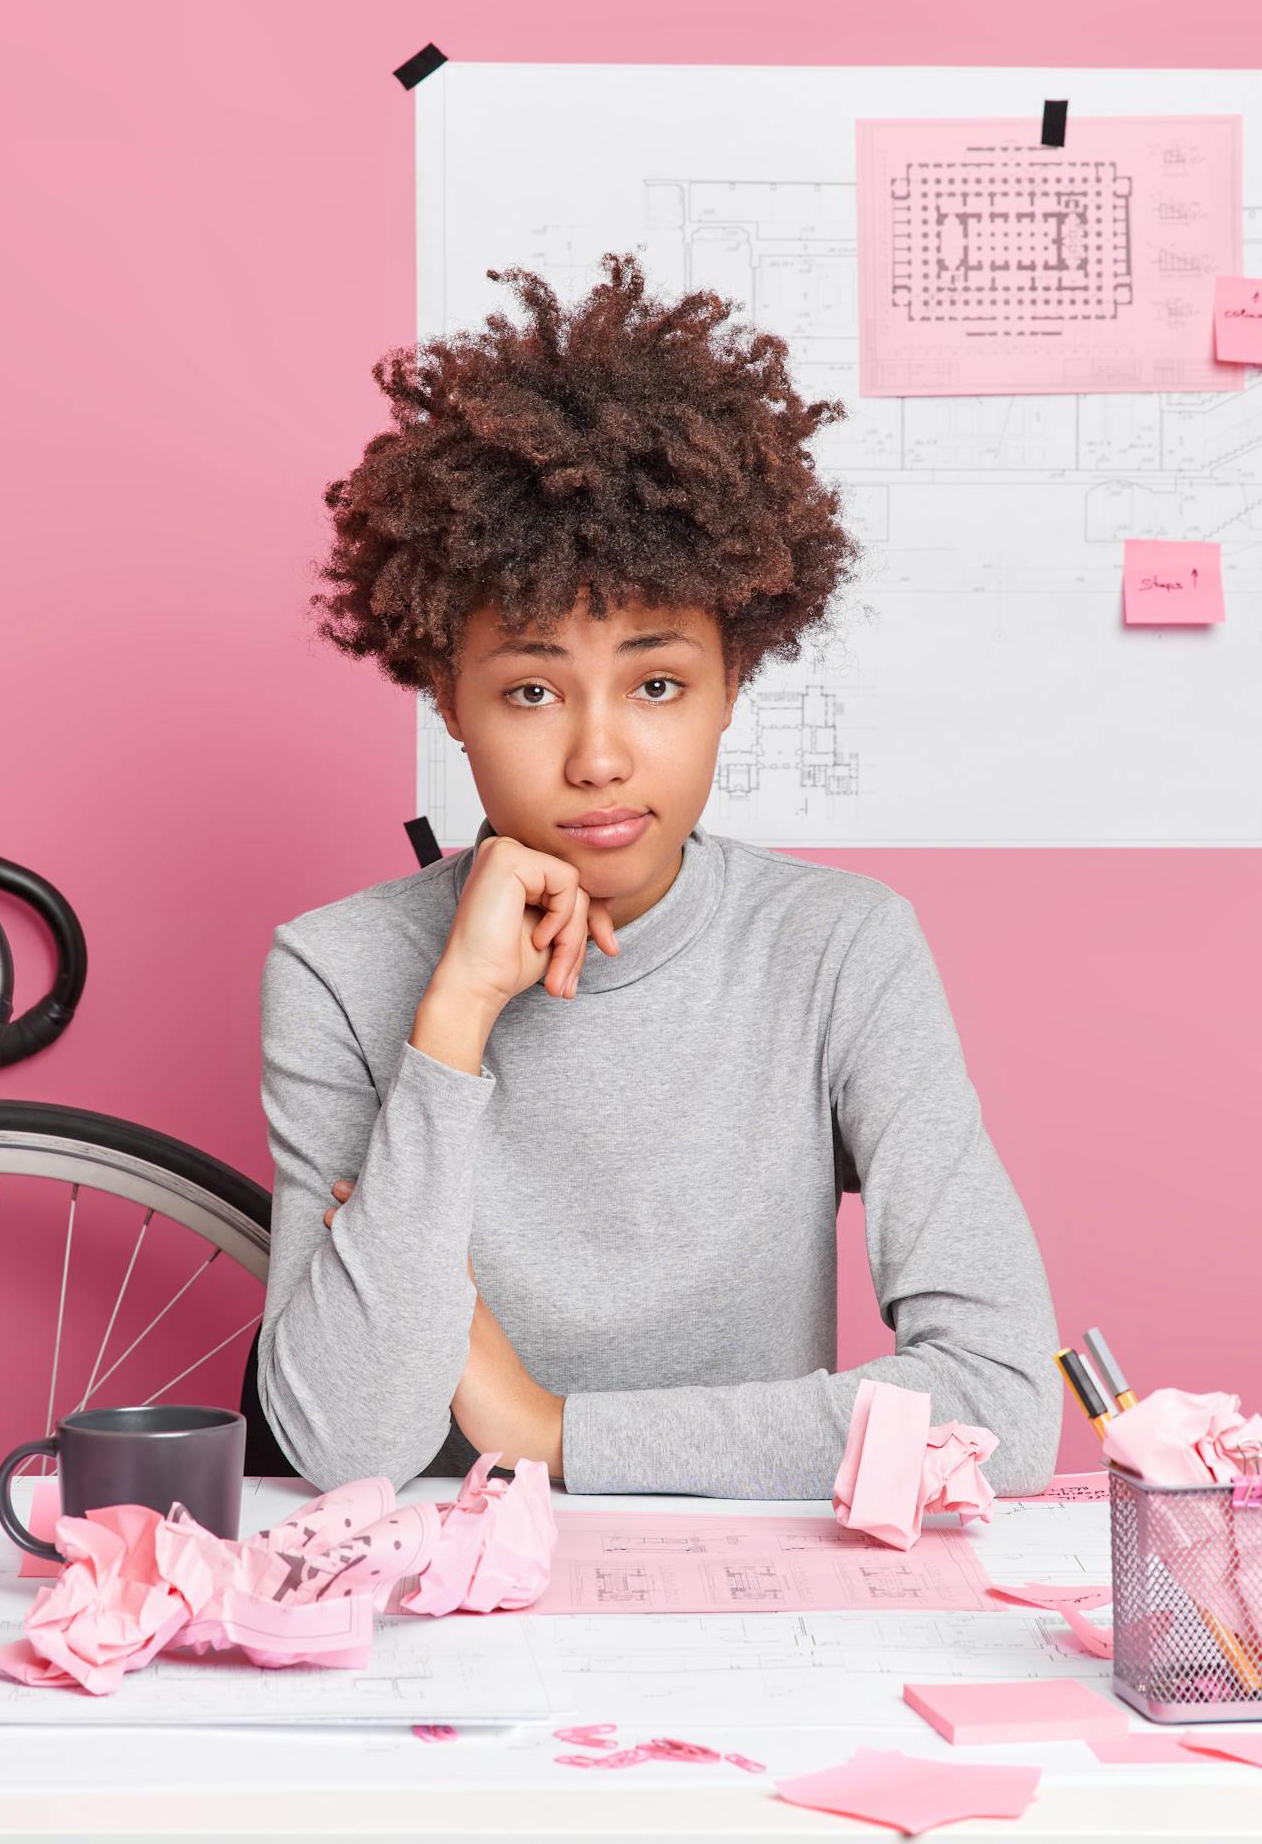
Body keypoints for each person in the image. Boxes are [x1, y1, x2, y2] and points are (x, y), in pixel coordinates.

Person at [248, 252, 1061, 1500]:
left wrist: (548, 1432)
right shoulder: (340, 971)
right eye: (530, 690)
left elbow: (1002, 1406)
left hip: (758, 1602)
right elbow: (348, 1448)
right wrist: (452, 1025)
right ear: (447, 704)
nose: (598, 756)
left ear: (735, 681)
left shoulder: (837, 948)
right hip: (435, 1616)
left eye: (659, 684)